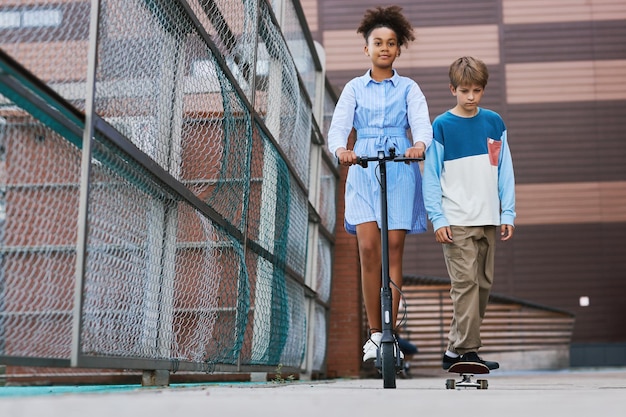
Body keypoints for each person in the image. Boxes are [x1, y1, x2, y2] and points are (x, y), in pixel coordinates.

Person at [327, 5, 432, 362]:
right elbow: (339, 127)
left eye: (391, 43)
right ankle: (375, 334)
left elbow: (421, 124)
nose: (384, 48)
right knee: (369, 249)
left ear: (399, 48)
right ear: (366, 48)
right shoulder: (355, 88)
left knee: (393, 249)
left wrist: (419, 145)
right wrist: (342, 149)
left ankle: (393, 334)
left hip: (400, 165)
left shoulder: (410, 87)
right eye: (377, 42)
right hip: (364, 165)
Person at [422, 56, 516, 370]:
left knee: (483, 285)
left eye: (477, 90)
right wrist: (437, 217)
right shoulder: (442, 126)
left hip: (489, 216)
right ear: (453, 89)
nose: (471, 96)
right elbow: (432, 175)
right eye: (465, 90)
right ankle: (468, 352)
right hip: (456, 219)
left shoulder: (494, 122)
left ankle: (452, 351)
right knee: (465, 285)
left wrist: (508, 213)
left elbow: (504, 170)